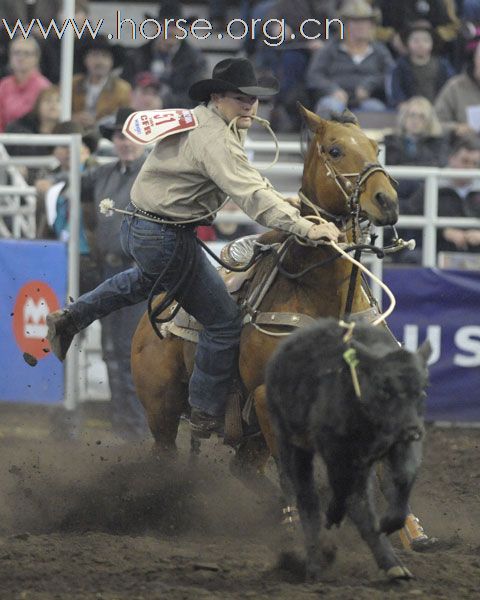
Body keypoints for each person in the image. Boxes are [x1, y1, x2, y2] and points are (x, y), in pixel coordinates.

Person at [45, 58, 342, 437]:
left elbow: (250, 184)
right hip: (164, 234)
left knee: (143, 282)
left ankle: (70, 319)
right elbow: (250, 193)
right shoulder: (214, 137)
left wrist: (290, 209)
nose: (250, 106)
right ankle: (204, 409)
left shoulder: (206, 121)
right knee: (223, 320)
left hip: (144, 225)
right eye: (241, 98)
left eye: (253, 99)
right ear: (218, 97)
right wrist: (302, 226)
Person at [307, 0, 393, 117]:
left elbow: (391, 73)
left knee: (377, 110)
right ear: (344, 25)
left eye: (365, 22)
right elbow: (314, 75)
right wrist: (332, 90)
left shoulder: (379, 51)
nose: (360, 26)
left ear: (371, 25)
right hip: (335, 99)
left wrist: (370, 85)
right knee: (330, 107)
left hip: (367, 100)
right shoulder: (330, 48)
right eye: (355, 22)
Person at [405, 135, 480, 259]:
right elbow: (411, 221)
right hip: (436, 251)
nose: (469, 167)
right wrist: (444, 232)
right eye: (465, 161)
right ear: (452, 159)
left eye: (475, 163)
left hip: (476, 252)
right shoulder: (431, 186)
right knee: (412, 257)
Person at [387, 22, 454, 107]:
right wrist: (403, 104)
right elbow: (396, 90)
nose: (420, 44)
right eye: (416, 41)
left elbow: (450, 86)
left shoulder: (442, 65)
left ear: (432, 44)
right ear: (407, 43)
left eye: (425, 40)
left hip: (438, 108)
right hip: (409, 110)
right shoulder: (400, 66)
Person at [71, 35, 131, 129]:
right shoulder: (72, 84)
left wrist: (97, 122)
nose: (100, 62)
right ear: (85, 60)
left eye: (105, 56)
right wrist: (73, 118)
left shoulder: (122, 89)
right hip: (75, 133)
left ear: (112, 62)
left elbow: (124, 119)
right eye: (95, 55)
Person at [0, 37, 51, 132]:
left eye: (27, 54)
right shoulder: (4, 85)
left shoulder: (44, 87)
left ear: (36, 58)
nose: (20, 58)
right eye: (16, 53)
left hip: (34, 139)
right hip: (5, 140)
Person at [435, 35, 480, 136]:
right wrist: (455, 128)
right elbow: (435, 123)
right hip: (462, 148)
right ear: (474, 59)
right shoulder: (455, 87)